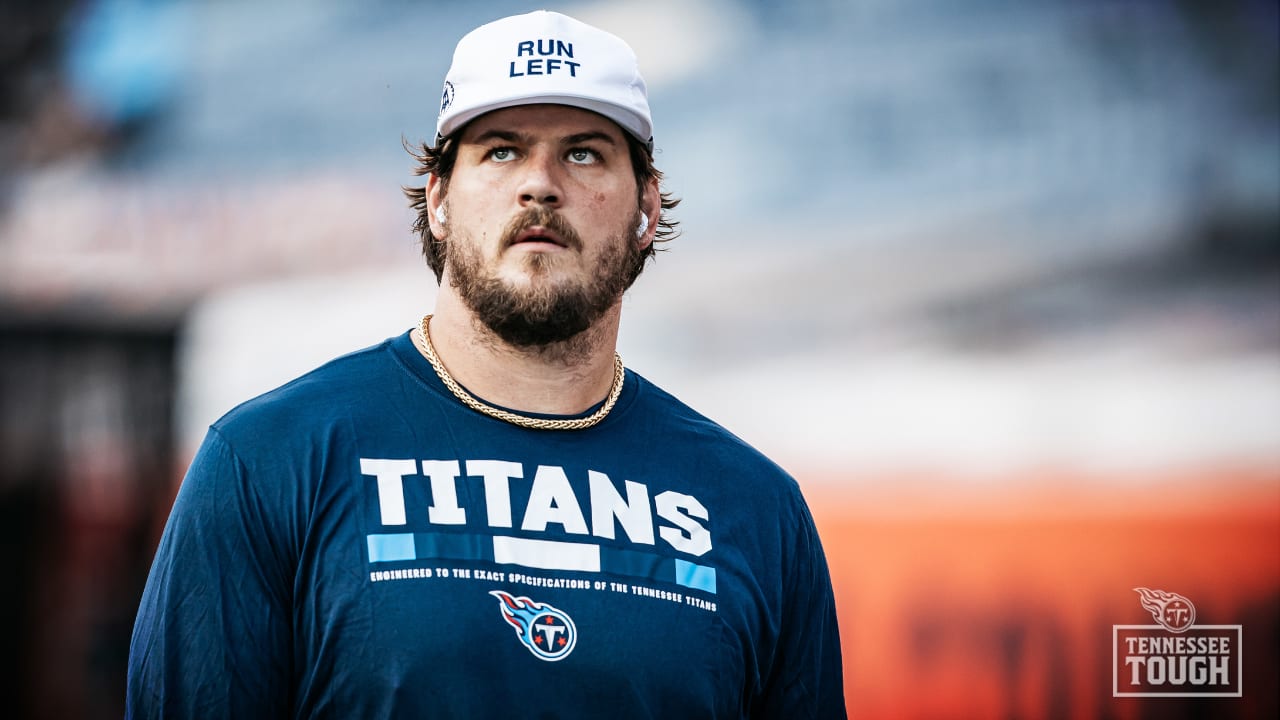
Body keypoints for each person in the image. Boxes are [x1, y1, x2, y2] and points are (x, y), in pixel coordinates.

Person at [126, 10, 846, 719]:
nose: (540, 184)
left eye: (585, 152)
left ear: (646, 209)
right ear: (439, 199)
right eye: (501, 151)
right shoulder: (268, 462)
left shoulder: (756, 509)